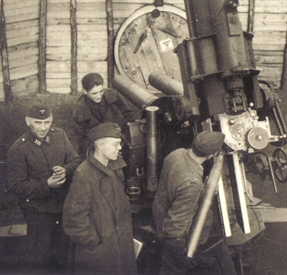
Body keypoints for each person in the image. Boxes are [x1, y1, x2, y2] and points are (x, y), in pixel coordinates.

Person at [6, 102, 81, 271]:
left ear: (52, 119)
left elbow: (75, 161)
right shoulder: (18, 149)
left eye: (47, 122)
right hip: (38, 211)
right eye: (37, 123)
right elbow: (16, 186)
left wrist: (65, 170)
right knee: (40, 256)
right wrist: (46, 185)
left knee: (64, 252)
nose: (42, 128)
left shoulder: (60, 136)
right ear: (27, 121)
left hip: (63, 205)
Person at [152, 131, 236, 275]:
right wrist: (178, 254)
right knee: (173, 268)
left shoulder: (176, 154)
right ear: (211, 155)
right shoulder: (192, 184)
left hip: (160, 212)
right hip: (174, 231)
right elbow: (175, 225)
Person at [63, 122, 137, 274]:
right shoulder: (84, 175)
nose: (120, 148)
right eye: (115, 144)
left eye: (120, 144)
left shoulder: (115, 165)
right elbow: (74, 219)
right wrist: (94, 242)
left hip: (120, 244)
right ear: (100, 145)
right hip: (101, 251)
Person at [72, 72, 139, 155]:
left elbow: (127, 114)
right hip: (96, 145)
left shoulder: (112, 95)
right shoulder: (80, 109)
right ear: (84, 91)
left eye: (101, 91)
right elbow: (81, 137)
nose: (99, 96)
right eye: (94, 93)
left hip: (118, 138)